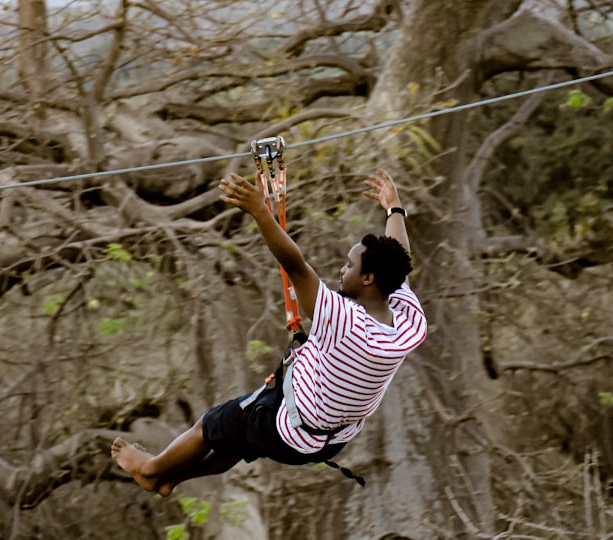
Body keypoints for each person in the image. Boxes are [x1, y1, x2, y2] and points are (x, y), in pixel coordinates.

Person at [111, 168, 426, 496]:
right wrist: (395, 210)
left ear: (368, 279)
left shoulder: (345, 321)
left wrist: (260, 211)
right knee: (237, 438)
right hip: (328, 440)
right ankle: (171, 480)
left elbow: (295, 265)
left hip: (287, 426)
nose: (341, 270)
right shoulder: (408, 323)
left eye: (349, 266)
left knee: (210, 425)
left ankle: (151, 470)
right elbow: (399, 261)